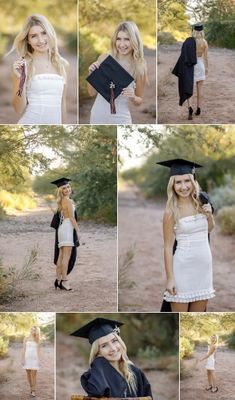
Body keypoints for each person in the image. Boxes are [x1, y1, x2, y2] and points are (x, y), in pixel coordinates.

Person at [157, 158, 215, 312]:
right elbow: (168, 247)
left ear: (193, 181)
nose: (183, 187)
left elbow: (209, 229)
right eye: (178, 182)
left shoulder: (202, 202)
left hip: (204, 267)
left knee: (197, 317)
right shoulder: (170, 211)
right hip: (182, 268)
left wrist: (209, 215)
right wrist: (170, 279)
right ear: (172, 185)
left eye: (186, 181)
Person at [7, 14, 68, 124]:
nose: (41, 40)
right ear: (28, 40)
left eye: (44, 33)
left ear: (50, 33)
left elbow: (62, 104)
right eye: (34, 36)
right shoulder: (23, 66)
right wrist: (21, 80)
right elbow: (18, 109)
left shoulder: (61, 65)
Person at [71, 317, 153, 398]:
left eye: (114, 341)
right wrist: (98, 362)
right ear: (97, 352)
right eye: (104, 346)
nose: (113, 348)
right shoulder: (96, 374)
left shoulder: (135, 372)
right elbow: (97, 392)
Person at [87, 21, 147, 124]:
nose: (122, 44)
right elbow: (91, 93)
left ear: (134, 41)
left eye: (127, 39)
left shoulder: (139, 67)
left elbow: (139, 100)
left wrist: (133, 97)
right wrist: (91, 73)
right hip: (97, 117)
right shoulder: (104, 59)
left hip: (121, 119)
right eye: (119, 39)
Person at [172, 23, 208, 120]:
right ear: (202, 31)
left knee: (189, 88)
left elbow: (184, 54)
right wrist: (207, 68)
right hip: (201, 66)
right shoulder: (204, 42)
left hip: (191, 67)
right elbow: (206, 58)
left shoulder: (190, 42)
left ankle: (190, 109)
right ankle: (199, 108)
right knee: (200, 89)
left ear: (194, 31)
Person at [51, 177, 80, 291]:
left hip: (62, 228)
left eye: (68, 186)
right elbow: (72, 218)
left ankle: (58, 280)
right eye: (64, 188)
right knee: (66, 257)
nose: (67, 189)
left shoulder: (62, 200)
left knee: (61, 256)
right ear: (61, 190)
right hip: (68, 228)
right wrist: (78, 231)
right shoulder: (67, 201)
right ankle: (65, 281)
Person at [21, 326, 40, 398]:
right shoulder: (26, 338)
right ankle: (31, 387)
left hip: (35, 359)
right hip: (27, 359)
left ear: (36, 331)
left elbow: (38, 350)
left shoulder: (37, 339)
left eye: (34, 330)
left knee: (34, 375)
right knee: (28, 375)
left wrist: (39, 359)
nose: (33, 331)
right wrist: (22, 359)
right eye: (32, 330)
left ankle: (33, 390)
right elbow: (23, 349)